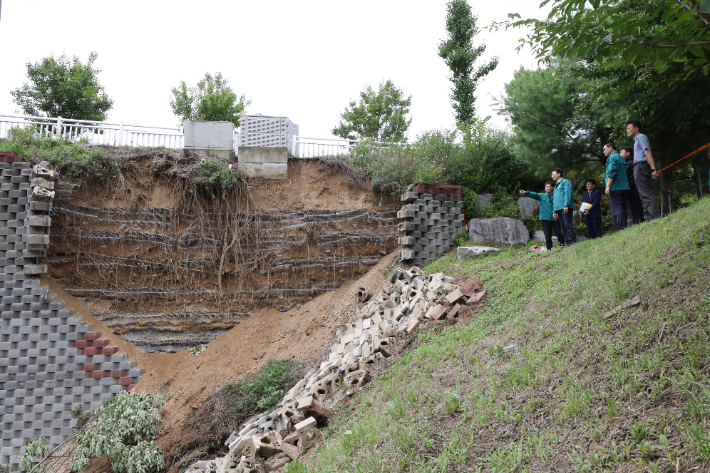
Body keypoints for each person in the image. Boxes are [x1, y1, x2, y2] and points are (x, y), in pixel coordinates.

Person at [626, 120, 660, 220]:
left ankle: (654, 217)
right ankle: (648, 217)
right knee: (642, 193)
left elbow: (647, 152)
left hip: (641, 166)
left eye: (629, 128)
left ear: (636, 128)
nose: (627, 131)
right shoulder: (636, 140)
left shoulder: (641, 137)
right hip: (638, 166)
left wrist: (653, 169)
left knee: (646, 192)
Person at [519, 181, 564, 250]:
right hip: (545, 218)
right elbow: (534, 194)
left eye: (548, 186)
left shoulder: (556, 196)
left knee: (559, 232)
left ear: (552, 187)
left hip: (555, 218)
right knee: (547, 234)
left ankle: (562, 246)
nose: (547, 188)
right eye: (546, 187)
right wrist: (526, 192)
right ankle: (549, 248)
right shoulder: (542, 196)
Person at [603, 143, 630, 230]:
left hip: (615, 187)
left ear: (611, 147)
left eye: (604, 149)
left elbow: (612, 172)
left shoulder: (612, 157)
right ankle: (624, 227)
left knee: (618, 209)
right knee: (622, 208)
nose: (604, 151)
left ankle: (622, 228)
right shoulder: (621, 157)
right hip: (624, 187)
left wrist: (608, 186)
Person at [620, 147, 645, 225]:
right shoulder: (623, 163)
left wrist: (636, 181)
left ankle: (642, 220)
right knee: (630, 206)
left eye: (621, 152)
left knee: (637, 204)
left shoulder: (631, 162)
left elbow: (637, 172)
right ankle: (636, 222)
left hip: (633, 188)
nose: (620, 154)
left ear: (628, 153)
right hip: (627, 189)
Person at [551, 168, 576, 245]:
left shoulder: (566, 182)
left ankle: (572, 242)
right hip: (558, 209)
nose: (552, 176)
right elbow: (555, 199)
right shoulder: (556, 186)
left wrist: (566, 205)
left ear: (559, 174)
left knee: (568, 225)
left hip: (565, 208)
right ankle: (568, 242)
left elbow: (568, 194)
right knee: (563, 226)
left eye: (553, 174)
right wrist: (554, 211)